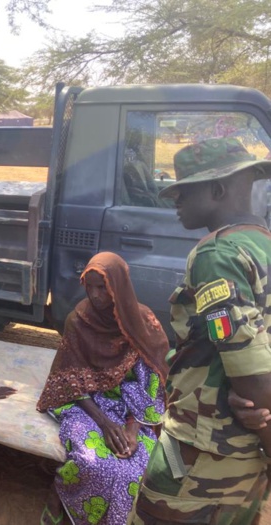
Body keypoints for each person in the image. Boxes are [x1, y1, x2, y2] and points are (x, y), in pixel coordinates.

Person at [130, 137, 271, 524]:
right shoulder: (263, 246)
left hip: (204, 450)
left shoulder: (218, 256)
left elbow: (249, 368)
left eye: (183, 192)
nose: (175, 202)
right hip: (247, 453)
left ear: (217, 189)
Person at [36, 252, 169, 525]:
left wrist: (132, 428)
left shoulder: (141, 323)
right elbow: (68, 377)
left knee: (136, 470)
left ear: (118, 287)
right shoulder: (78, 320)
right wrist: (106, 424)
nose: (96, 295)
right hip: (87, 404)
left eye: (103, 287)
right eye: (90, 286)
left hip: (135, 408)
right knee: (93, 464)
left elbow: (153, 379)